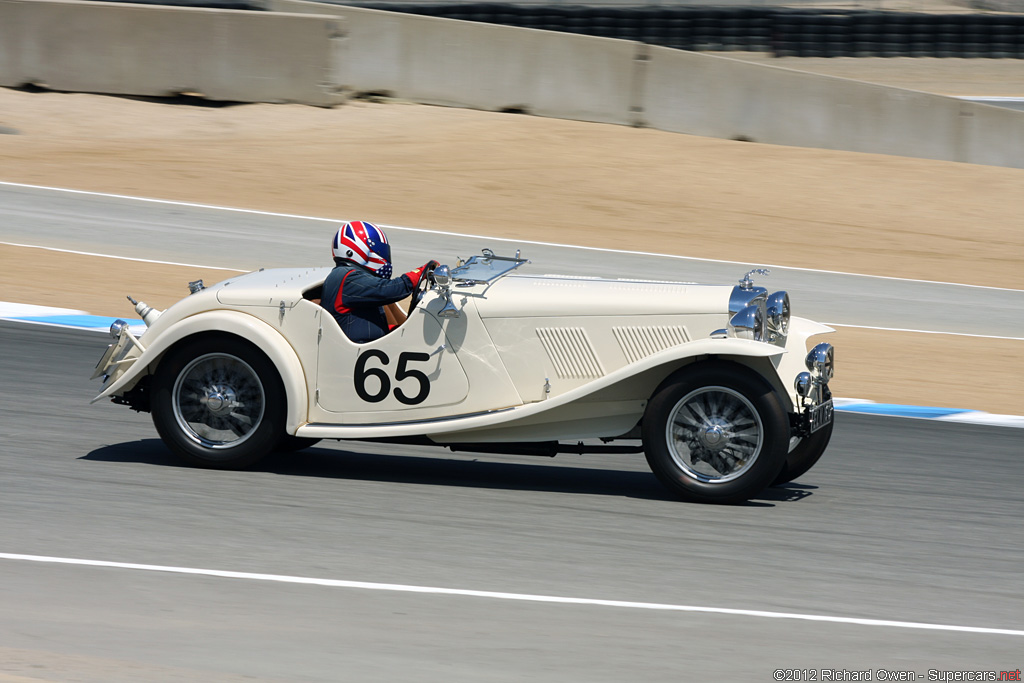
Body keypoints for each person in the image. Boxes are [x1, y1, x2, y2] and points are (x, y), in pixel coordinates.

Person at [321, 221, 439, 344]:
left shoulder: (349, 277)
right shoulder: (347, 277)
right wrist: (420, 272)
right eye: (377, 250)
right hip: (357, 352)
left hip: (372, 348)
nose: (382, 256)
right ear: (355, 249)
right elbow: (390, 289)